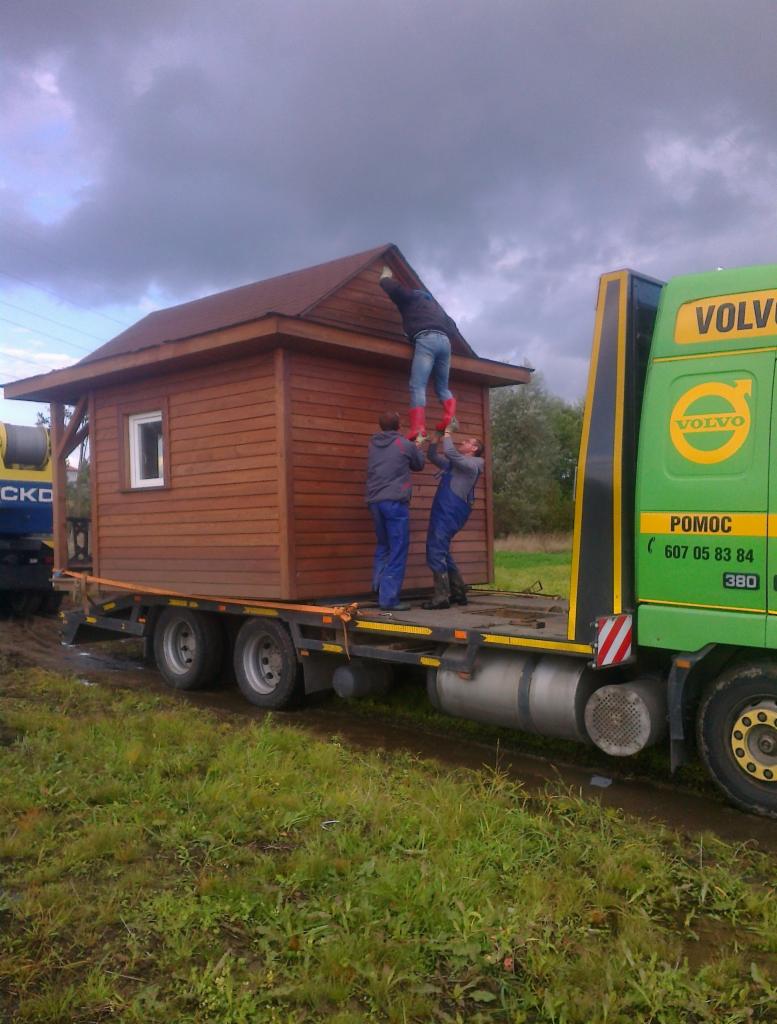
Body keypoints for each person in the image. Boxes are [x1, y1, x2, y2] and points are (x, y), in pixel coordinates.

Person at [378, 265, 458, 442]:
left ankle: (418, 428)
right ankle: (450, 417)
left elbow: (394, 289)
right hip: (445, 343)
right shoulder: (436, 309)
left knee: (418, 386)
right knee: (442, 388)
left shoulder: (412, 298)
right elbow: (452, 327)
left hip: (426, 339)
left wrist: (384, 278)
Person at [366, 411, 425, 611]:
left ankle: (379, 588)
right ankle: (389, 599)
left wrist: (407, 442)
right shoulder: (405, 445)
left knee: (384, 545)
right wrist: (418, 446)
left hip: (375, 501)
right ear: (399, 426)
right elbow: (418, 464)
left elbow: (393, 449)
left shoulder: (373, 443)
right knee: (398, 547)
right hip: (394, 502)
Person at [423, 429, 485, 609]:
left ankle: (442, 597)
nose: (463, 442)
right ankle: (459, 592)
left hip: (450, 513)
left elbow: (450, 452)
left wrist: (447, 432)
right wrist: (434, 441)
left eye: (467, 441)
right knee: (443, 552)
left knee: (435, 550)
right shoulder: (456, 465)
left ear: (473, 448)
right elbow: (433, 457)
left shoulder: (473, 464)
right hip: (443, 512)